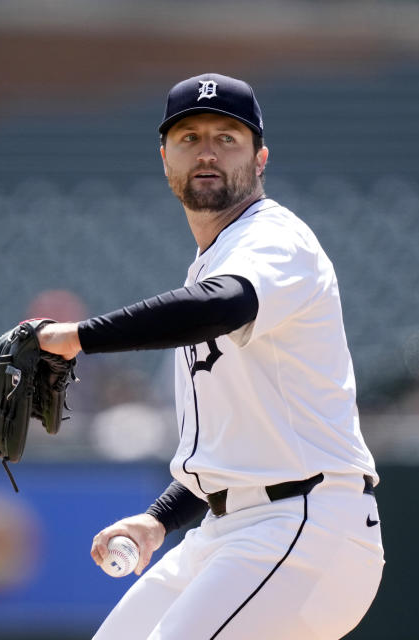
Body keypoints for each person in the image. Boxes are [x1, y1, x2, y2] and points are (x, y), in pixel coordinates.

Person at [36, 73, 384, 639]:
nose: (207, 152)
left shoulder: (273, 239)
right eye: (189, 137)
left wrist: (78, 337)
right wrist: (157, 522)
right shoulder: (212, 261)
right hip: (231, 530)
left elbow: (225, 305)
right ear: (165, 157)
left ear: (260, 157)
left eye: (227, 138)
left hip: (305, 526)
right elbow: (233, 451)